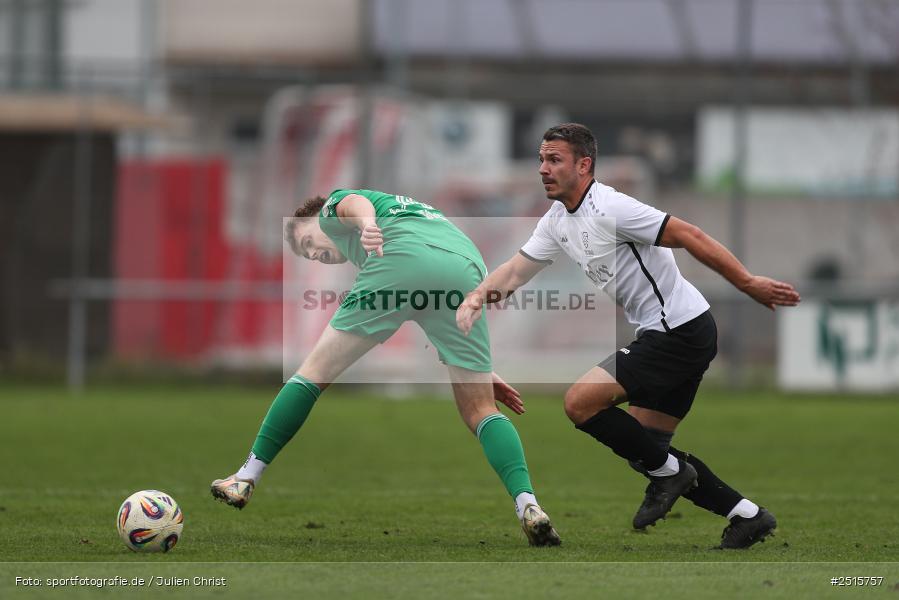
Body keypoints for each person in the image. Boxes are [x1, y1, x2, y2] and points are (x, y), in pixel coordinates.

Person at [456, 123, 801, 549]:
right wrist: (475, 298)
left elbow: (689, 235)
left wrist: (747, 283)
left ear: (584, 165)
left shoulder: (612, 208)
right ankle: (746, 516)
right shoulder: (557, 220)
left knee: (580, 403)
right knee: (649, 448)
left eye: (555, 160)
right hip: (678, 330)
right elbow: (514, 271)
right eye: (542, 160)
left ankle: (672, 475)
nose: (543, 169)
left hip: (678, 331)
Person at [211, 188, 560, 547]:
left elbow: (350, 205)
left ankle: (245, 476)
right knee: (480, 409)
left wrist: (367, 225)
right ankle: (528, 505)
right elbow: (430, 280)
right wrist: (480, 370)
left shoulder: (337, 210)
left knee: (312, 375)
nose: (313, 254)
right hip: (466, 270)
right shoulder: (417, 213)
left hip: (399, 259)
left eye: (307, 241)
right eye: (306, 255)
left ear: (316, 219)